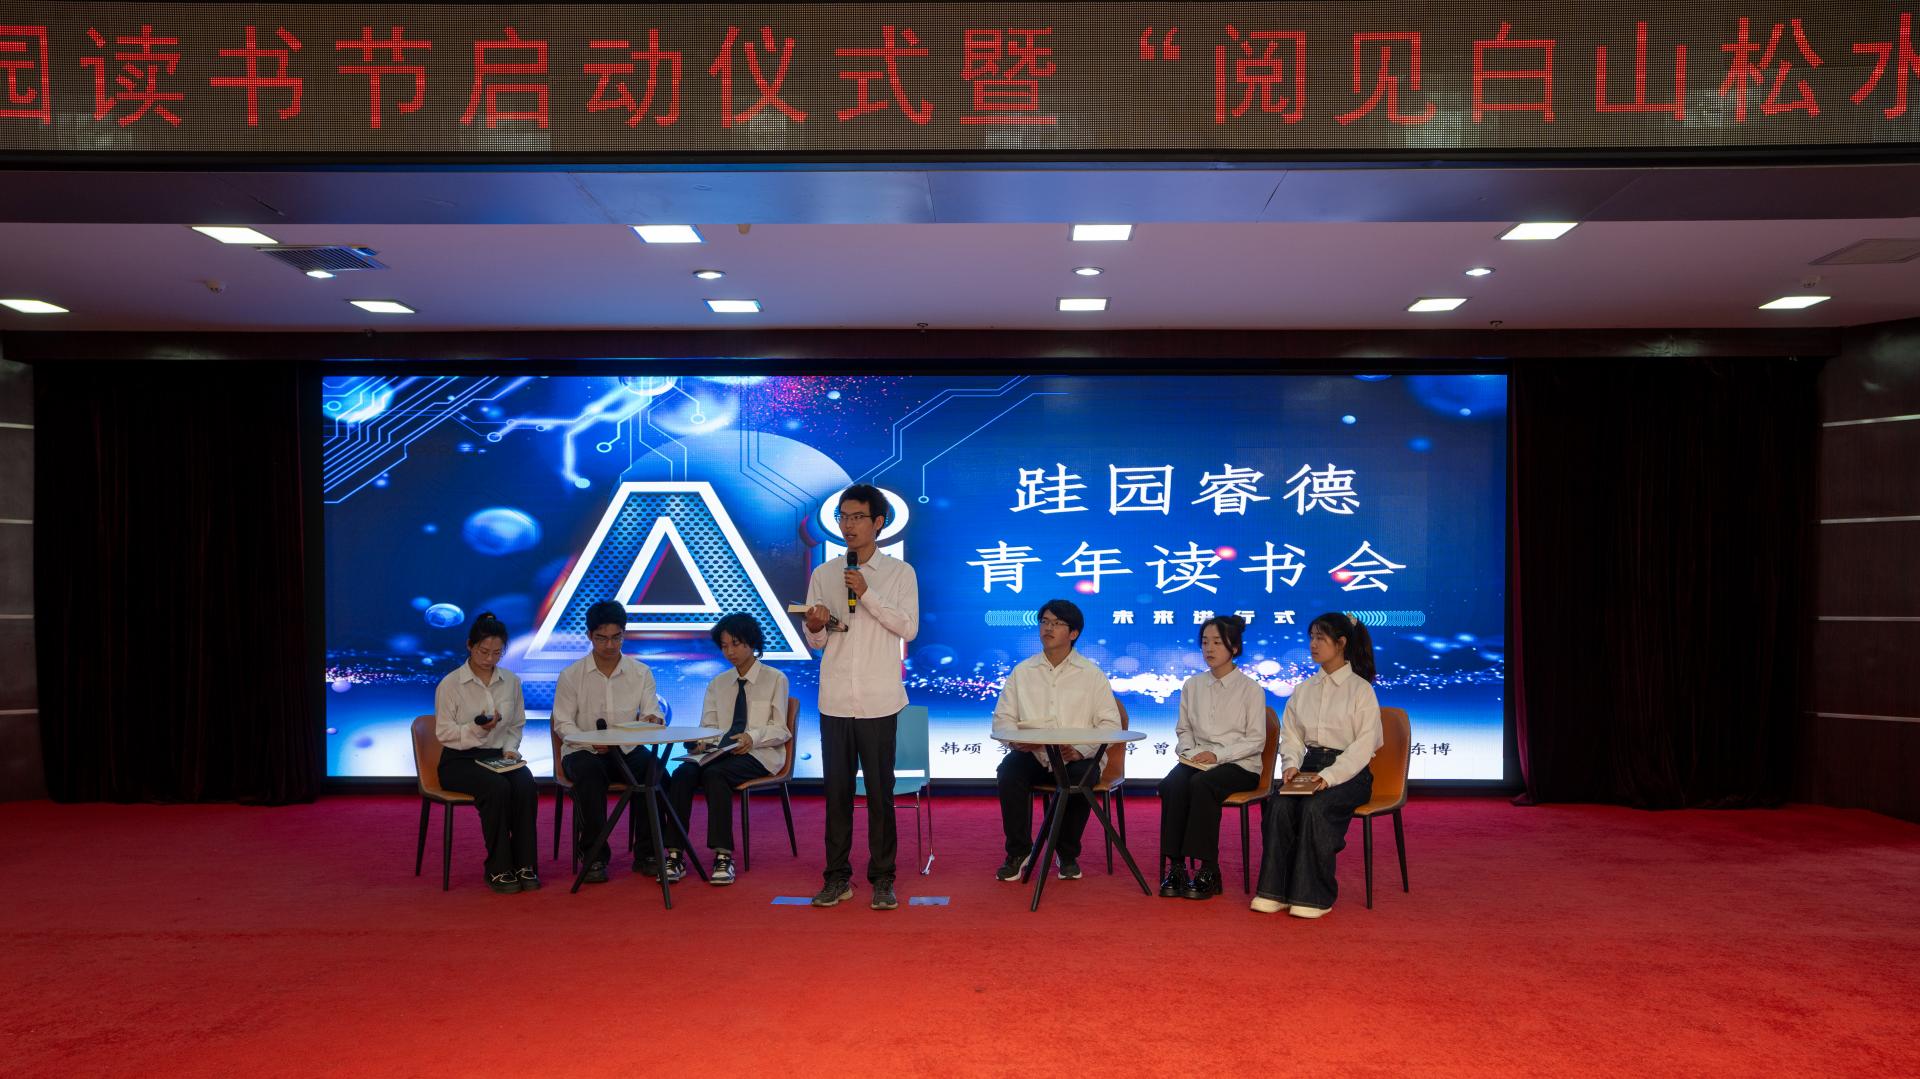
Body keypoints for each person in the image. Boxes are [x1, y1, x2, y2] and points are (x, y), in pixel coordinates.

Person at [803, 483, 919, 910]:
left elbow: (908, 628)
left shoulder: (899, 573)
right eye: (843, 517)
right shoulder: (824, 573)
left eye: (857, 517)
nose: (848, 526)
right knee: (836, 795)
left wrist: (867, 593)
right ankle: (836, 877)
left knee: (879, 794)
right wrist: (815, 625)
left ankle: (883, 878)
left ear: (878, 522)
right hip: (835, 699)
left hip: (878, 700)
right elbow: (817, 641)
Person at [1252, 612, 1383, 919]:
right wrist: (1291, 765)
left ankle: (1313, 895)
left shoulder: (1361, 690)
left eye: (1320, 638)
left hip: (1350, 773)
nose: (1313, 644)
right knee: (1278, 805)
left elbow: (1364, 746)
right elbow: (1293, 735)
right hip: (1309, 767)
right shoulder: (1304, 689)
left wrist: (1329, 777)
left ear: (1341, 643)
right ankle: (1274, 891)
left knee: (1315, 807)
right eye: (1311, 637)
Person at [990, 599, 1122, 883]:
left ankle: (1067, 853)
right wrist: (1016, 742)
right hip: (1035, 755)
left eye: (1057, 623)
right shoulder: (1023, 672)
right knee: (1009, 770)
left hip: (1076, 757)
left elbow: (1110, 726)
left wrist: (1080, 750)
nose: (1048, 628)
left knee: (1079, 777)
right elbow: (1002, 719)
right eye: (1044, 622)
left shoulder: (1091, 675)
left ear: (1073, 633)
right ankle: (1019, 852)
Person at [665, 613, 791, 886]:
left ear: (752, 642)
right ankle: (674, 854)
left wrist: (751, 737)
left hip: (759, 754)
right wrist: (701, 742)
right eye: (724, 646)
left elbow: (781, 729)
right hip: (718, 753)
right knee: (682, 774)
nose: (730, 651)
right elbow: (709, 726)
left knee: (715, 775)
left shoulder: (775, 679)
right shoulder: (718, 683)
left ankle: (723, 855)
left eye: (736, 643)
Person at [551, 600, 668, 885]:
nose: (610, 645)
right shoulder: (571, 675)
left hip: (626, 748)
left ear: (624, 635)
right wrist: (591, 743)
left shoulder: (641, 672)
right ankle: (594, 856)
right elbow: (562, 724)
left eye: (617, 637)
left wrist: (652, 720)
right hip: (583, 751)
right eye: (602, 638)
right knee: (590, 774)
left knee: (656, 772)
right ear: (589, 636)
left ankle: (648, 852)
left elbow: (652, 712)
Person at [1157, 615, 1267, 900]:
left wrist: (1217, 755)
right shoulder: (1192, 685)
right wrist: (1191, 753)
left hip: (1240, 765)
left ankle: (1208, 870)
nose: (1209, 648)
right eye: (1205, 642)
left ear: (1234, 647)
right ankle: (1177, 867)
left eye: (1217, 642)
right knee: (1172, 784)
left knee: (1202, 785)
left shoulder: (1250, 689)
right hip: (1198, 760)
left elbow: (1256, 740)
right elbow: (1184, 730)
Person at [433, 611, 539, 894]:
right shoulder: (451, 684)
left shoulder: (511, 681)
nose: (490, 658)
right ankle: (498, 867)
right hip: (459, 760)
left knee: (526, 784)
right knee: (496, 788)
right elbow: (444, 733)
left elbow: (516, 724)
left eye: (497, 653)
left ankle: (525, 864)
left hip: (498, 756)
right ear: (469, 645)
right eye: (483, 651)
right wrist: (477, 729)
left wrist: (510, 750)